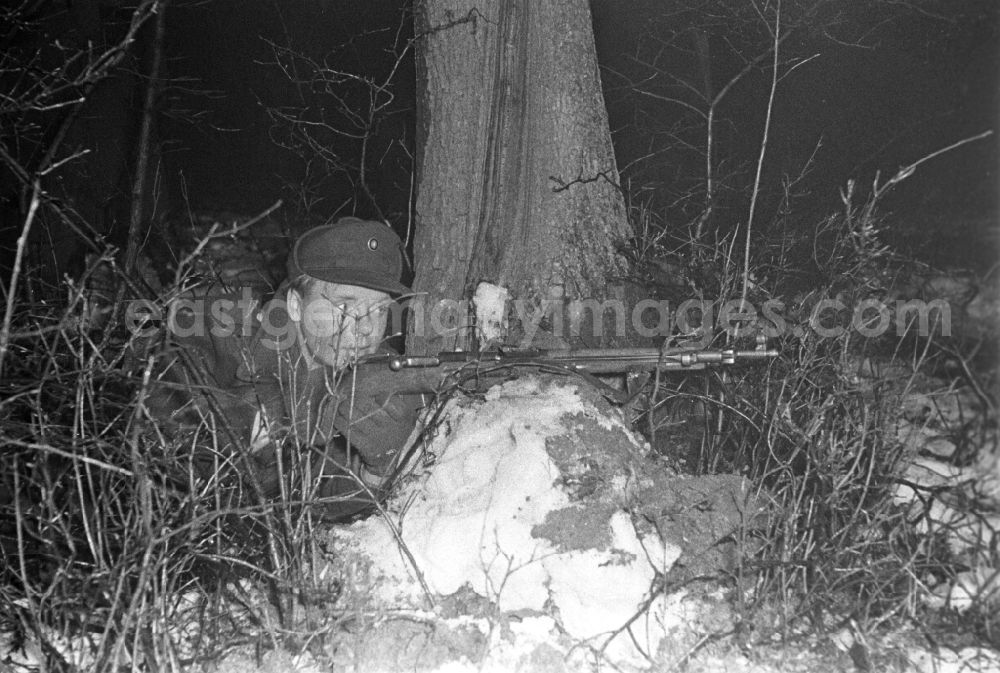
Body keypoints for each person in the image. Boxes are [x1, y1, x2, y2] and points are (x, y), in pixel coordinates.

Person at [144, 217, 424, 519]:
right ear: (294, 305)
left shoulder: (381, 376)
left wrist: (379, 469)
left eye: (380, 310)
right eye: (344, 307)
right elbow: (157, 454)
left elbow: (323, 504)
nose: (366, 329)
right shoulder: (225, 336)